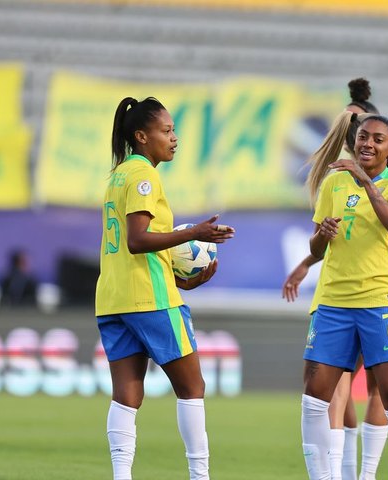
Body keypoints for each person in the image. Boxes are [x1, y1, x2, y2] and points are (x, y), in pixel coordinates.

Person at [284, 78, 388, 480]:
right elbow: (318, 248)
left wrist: (366, 183)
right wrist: (321, 237)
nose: (367, 143)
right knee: (317, 396)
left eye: (377, 139)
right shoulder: (333, 182)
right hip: (333, 302)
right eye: (362, 136)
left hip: (381, 300)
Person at [95, 96, 235, 480]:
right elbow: (137, 240)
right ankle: (200, 475)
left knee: (128, 393)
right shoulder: (144, 176)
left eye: (174, 130)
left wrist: (185, 280)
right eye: (166, 130)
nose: (174, 138)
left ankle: (121, 475)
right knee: (192, 386)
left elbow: (133, 251)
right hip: (150, 298)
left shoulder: (118, 175)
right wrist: (195, 232)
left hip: (114, 298)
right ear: (142, 136)